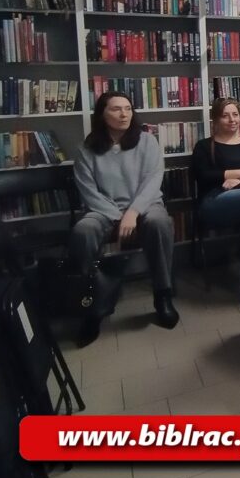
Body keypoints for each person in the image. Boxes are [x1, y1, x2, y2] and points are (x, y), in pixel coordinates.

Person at [70, 91, 178, 345]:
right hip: (103, 210)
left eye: (128, 108)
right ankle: (92, 305)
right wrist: (117, 216)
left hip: (144, 205)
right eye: (116, 109)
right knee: (82, 231)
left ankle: (163, 294)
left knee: (160, 222)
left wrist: (132, 212)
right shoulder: (86, 149)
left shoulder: (147, 142)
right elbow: (88, 191)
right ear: (102, 114)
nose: (124, 114)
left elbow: (153, 181)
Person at [191, 97, 240, 231]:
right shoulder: (204, 146)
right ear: (215, 120)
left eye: (235, 115)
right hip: (214, 201)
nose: (232, 120)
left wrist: (238, 181)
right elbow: (202, 176)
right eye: (225, 116)